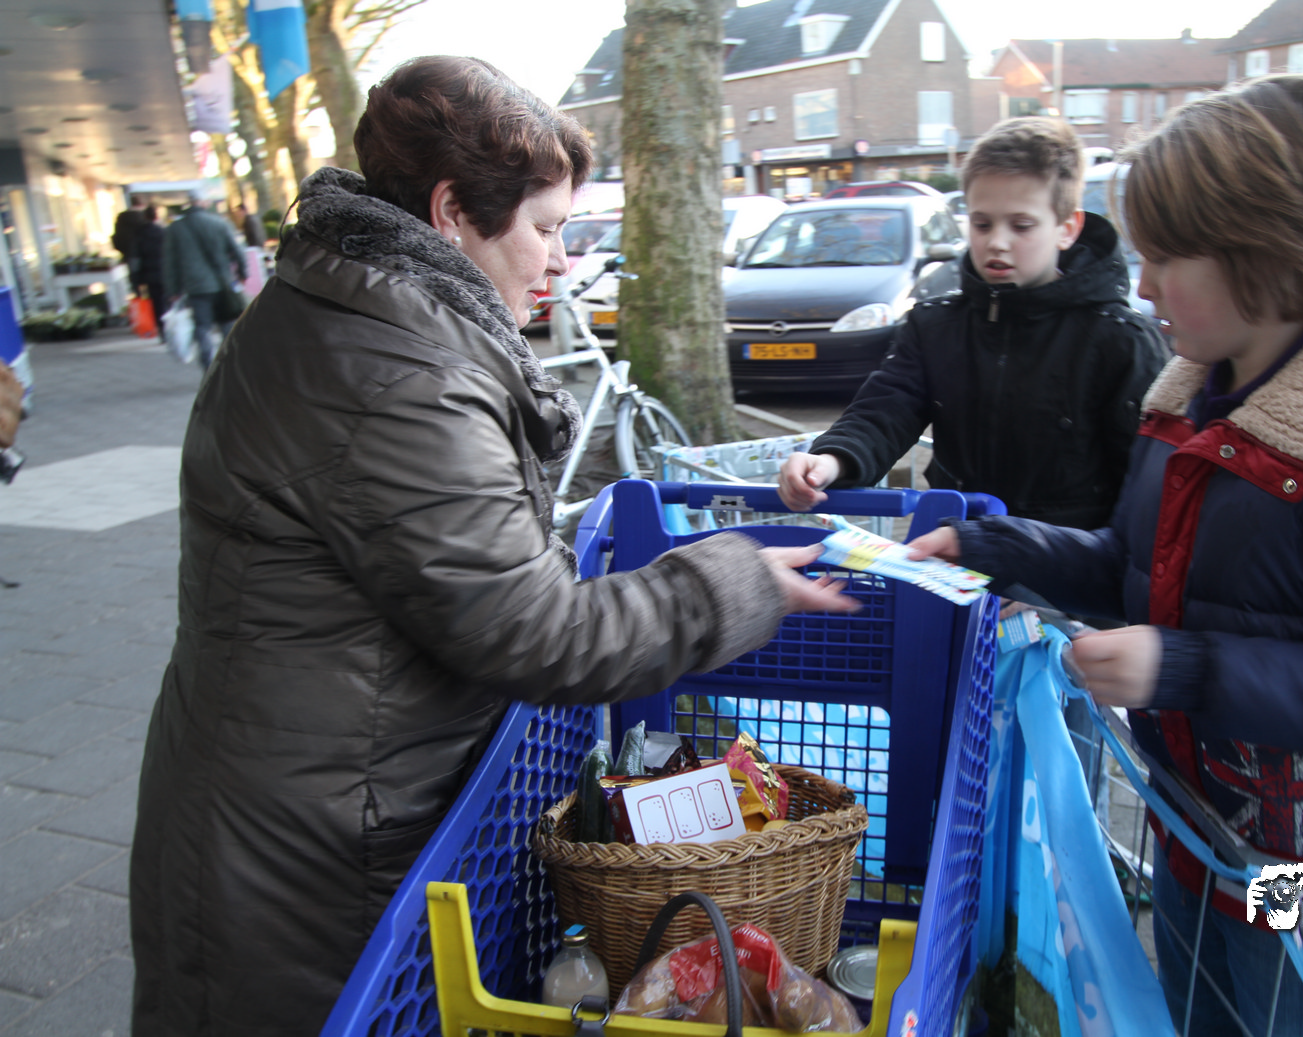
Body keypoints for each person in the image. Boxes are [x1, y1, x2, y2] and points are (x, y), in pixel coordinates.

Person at [128, 55, 856, 1037]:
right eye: (544, 228)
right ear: (450, 213)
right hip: (317, 837)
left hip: (291, 787)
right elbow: (532, 630)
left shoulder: (345, 307)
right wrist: (729, 583)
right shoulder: (400, 374)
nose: (559, 261)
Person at [907, 74, 1303, 1035]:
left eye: (1164, 258)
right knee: (1203, 1013)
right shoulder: (1191, 405)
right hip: (1200, 839)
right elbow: (1134, 565)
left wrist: (1182, 667)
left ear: (1265, 250)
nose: (1143, 285)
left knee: (1283, 1015)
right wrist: (992, 544)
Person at [776, 115, 1166, 533]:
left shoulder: (1120, 341)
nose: (997, 241)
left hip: (1065, 564)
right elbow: (885, 409)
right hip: (950, 548)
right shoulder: (934, 325)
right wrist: (832, 459)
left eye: (1021, 225)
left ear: (1066, 228)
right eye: (982, 224)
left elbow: (1145, 490)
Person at [162, 193, 245, 369]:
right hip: (222, 283)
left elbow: (170, 262)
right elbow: (237, 250)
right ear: (205, 203)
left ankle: (208, 366)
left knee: (202, 327)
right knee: (227, 325)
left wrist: (173, 289)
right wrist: (242, 273)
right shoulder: (219, 223)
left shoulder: (175, 228)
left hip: (196, 286)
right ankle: (231, 364)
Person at [135, 204, 167, 341]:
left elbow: (135, 257)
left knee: (156, 303)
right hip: (165, 272)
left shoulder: (139, 234)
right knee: (167, 301)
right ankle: (169, 327)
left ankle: (161, 329)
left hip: (148, 274)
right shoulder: (163, 232)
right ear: (156, 216)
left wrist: (135, 279)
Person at [112, 194, 148, 281]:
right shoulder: (143, 219)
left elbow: (117, 237)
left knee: (131, 280)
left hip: (126, 254)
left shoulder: (121, 218)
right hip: (144, 257)